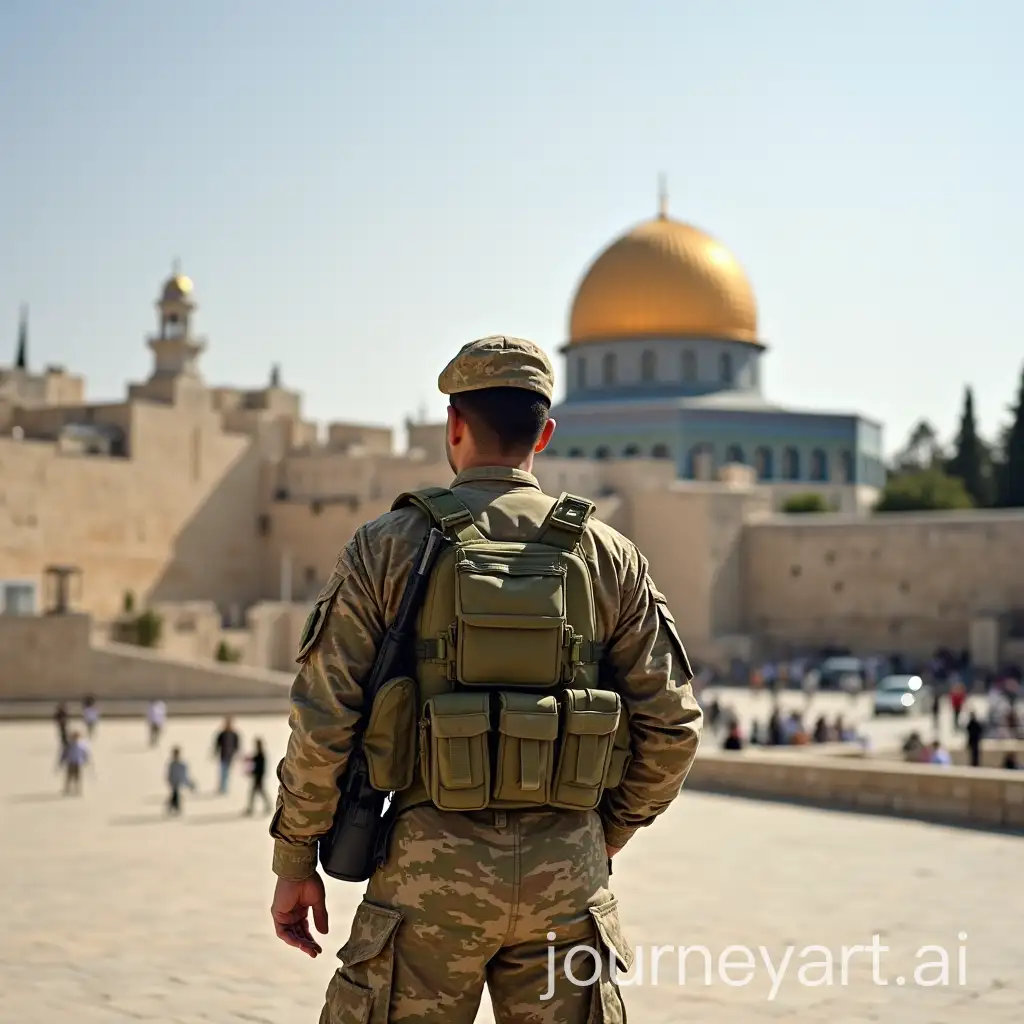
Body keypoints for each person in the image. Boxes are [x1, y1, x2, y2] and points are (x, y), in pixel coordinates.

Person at [268, 336, 703, 1022]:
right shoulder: (607, 553)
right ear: (545, 433)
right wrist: (601, 833)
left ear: (455, 426)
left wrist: (295, 862)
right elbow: (673, 727)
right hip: (568, 881)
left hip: (426, 878)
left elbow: (322, 722)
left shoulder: (388, 545)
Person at [212, 716, 241, 794]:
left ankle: (225, 788)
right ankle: (222, 787)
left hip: (230, 756)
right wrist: (215, 752)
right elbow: (217, 744)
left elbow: (237, 744)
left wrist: (237, 753)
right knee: (222, 772)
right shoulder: (222, 734)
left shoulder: (234, 734)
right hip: (223, 755)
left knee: (227, 772)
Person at [59, 730, 90, 796]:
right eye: (74, 736)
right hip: (70, 762)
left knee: (77, 777)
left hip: (78, 763)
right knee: (69, 777)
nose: (75, 738)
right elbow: (64, 753)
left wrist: (86, 760)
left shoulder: (81, 745)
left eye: (76, 736)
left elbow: (85, 753)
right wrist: (62, 760)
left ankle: (78, 790)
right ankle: (67, 789)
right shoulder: (69, 745)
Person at [166, 746, 196, 814]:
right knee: (175, 795)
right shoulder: (172, 764)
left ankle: (175, 808)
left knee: (176, 796)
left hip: (179, 783)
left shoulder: (182, 764)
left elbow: (185, 775)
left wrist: (189, 784)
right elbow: (169, 774)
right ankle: (174, 807)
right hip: (174, 783)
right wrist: (169, 780)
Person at [244, 737, 271, 815]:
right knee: (259, 792)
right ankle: (266, 806)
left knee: (257, 792)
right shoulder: (259, 753)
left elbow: (259, 766)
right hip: (258, 777)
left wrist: (253, 772)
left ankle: (251, 808)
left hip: (258, 777)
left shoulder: (261, 754)